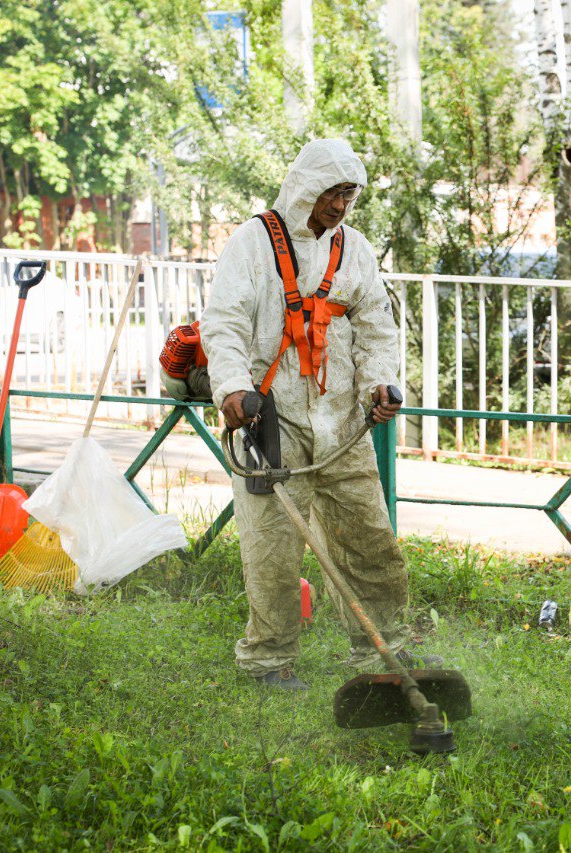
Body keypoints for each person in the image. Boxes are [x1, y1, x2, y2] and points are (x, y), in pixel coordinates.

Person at [201, 139, 437, 690]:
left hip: (341, 419)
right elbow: (224, 322)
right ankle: (269, 660)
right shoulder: (252, 243)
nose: (339, 205)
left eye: (348, 194)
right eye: (331, 192)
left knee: (367, 536)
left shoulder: (354, 249)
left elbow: (376, 325)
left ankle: (384, 647)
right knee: (272, 546)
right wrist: (232, 388)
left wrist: (379, 383)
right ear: (305, 187)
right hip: (268, 417)